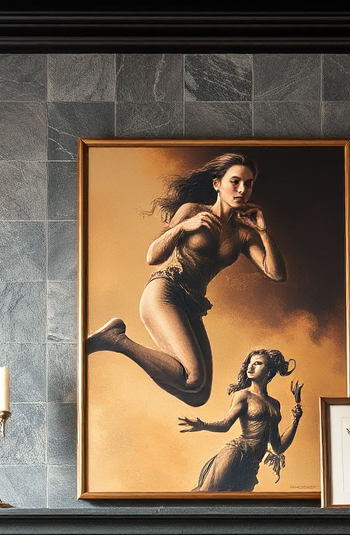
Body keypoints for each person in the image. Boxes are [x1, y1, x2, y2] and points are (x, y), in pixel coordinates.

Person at [86, 152, 286, 407]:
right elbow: (153, 256)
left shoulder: (243, 235)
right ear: (217, 184)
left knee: (199, 396)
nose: (242, 189)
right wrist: (182, 227)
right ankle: (117, 340)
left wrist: (263, 231)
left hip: (192, 306)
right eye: (235, 181)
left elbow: (277, 274)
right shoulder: (192, 211)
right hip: (166, 291)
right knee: (192, 379)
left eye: (248, 184)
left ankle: (116, 340)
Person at [180, 349, 303, 492]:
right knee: (206, 496)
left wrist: (296, 420)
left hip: (252, 465)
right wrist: (203, 425)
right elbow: (226, 424)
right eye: (250, 363)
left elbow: (278, 447)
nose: (250, 367)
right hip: (236, 453)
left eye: (257, 363)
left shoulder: (275, 404)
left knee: (232, 507)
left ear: (268, 371)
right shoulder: (243, 395)